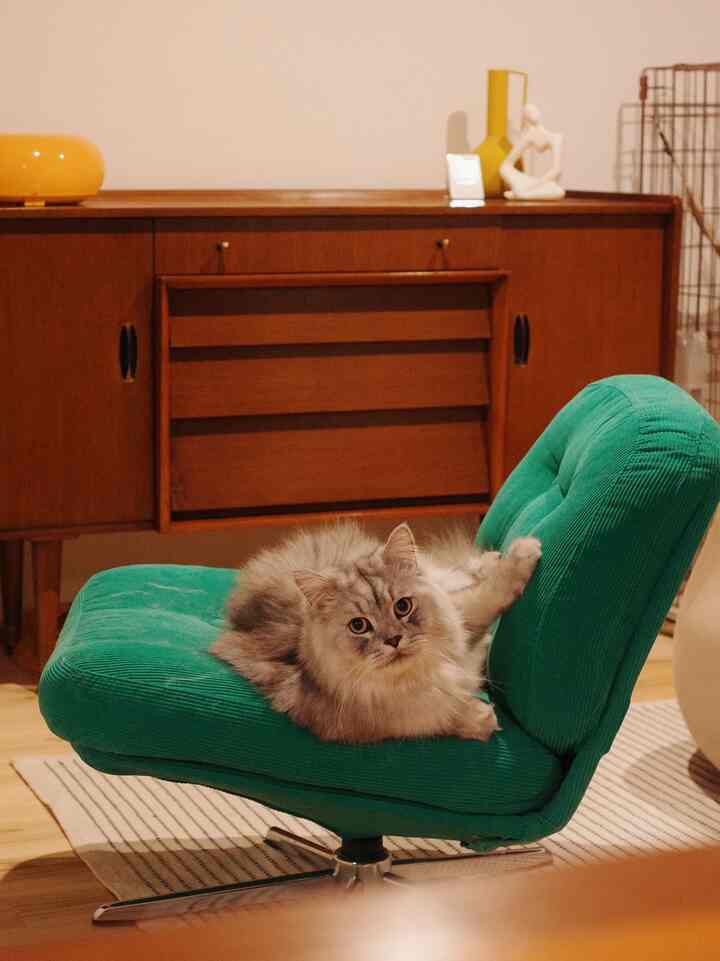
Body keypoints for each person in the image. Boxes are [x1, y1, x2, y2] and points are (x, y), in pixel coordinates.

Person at [500, 103, 565, 200]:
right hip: (530, 184)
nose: (531, 114)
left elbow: (556, 170)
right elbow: (506, 164)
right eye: (527, 113)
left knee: (559, 192)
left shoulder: (556, 138)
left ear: (539, 113)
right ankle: (521, 193)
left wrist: (534, 185)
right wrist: (529, 184)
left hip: (543, 183)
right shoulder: (528, 137)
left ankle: (520, 194)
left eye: (533, 111)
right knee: (503, 169)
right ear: (525, 118)